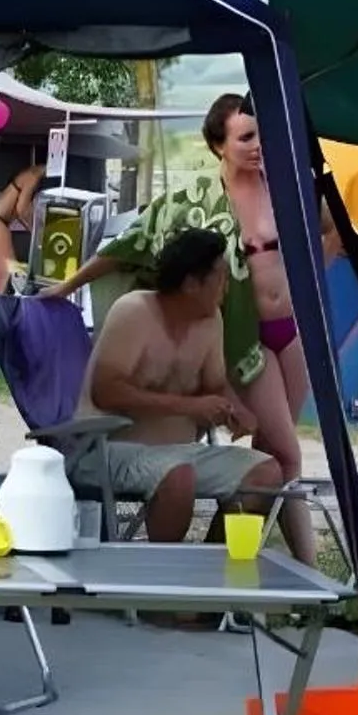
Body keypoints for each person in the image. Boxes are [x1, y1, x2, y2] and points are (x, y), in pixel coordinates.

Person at [40, 95, 337, 563]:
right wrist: (68, 285)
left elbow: (335, 225)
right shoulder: (195, 199)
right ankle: (306, 568)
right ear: (218, 145)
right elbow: (130, 242)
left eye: (263, 135)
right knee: (285, 452)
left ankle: (239, 565)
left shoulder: (288, 187)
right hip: (245, 334)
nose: (259, 146)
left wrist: (312, 276)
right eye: (246, 137)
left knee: (274, 454)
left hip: (291, 327)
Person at [75, 228, 285, 547]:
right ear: (191, 283)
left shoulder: (210, 319)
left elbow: (214, 387)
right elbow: (105, 392)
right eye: (220, 279)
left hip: (179, 454)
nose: (226, 288)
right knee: (178, 476)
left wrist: (236, 410)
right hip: (108, 450)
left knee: (265, 474)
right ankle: (160, 586)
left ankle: (214, 573)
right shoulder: (134, 311)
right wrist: (189, 407)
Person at [0, 162, 47, 292]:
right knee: (13, 271)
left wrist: (33, 228)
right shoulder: (32, 176)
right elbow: (22, 209)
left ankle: (2, 305)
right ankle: (10, 304)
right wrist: (36, 230)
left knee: (6, 273)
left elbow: (20, 210)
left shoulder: (27, 175)